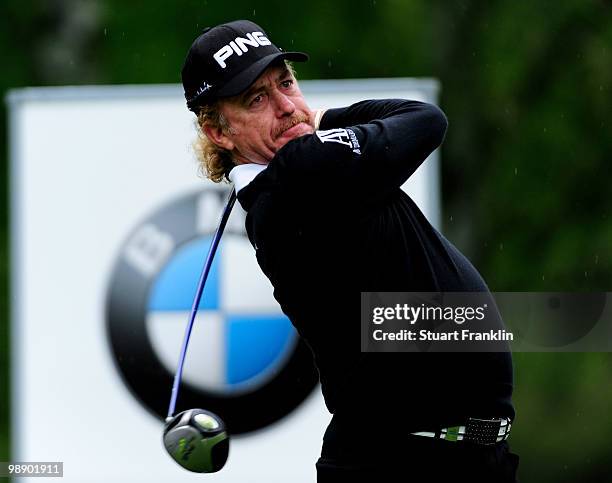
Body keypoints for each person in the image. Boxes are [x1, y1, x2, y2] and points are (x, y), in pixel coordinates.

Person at [181, 19, 520, 482]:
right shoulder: (301, 174)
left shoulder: (287, 185)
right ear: (219, 132)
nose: (286, 106)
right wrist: (320, 120)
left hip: (448, 458)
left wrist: (306, 123)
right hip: (403, 464)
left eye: (287, 83)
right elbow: (424, 120)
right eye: (256, 99)